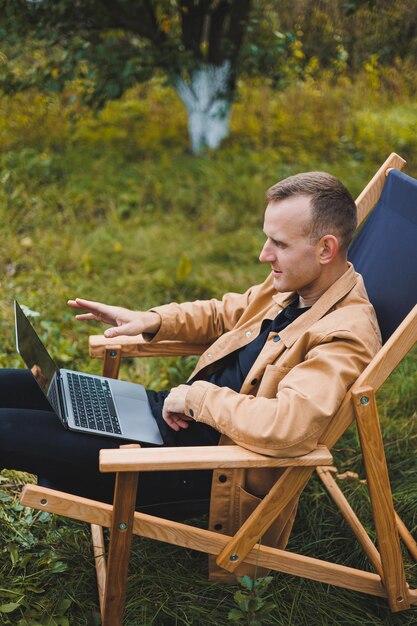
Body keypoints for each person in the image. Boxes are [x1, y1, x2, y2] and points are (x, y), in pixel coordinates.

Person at [0, 172, 381, 559]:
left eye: (279, 243)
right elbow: (222, 313)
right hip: (163, 421)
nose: (264, 255)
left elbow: (289, 425)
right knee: (10, 385)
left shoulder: (344, 336)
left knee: (6, 429)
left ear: (325, 248)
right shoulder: (296, 285)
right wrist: (150, 319)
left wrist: (197, 396)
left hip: (192, 468)